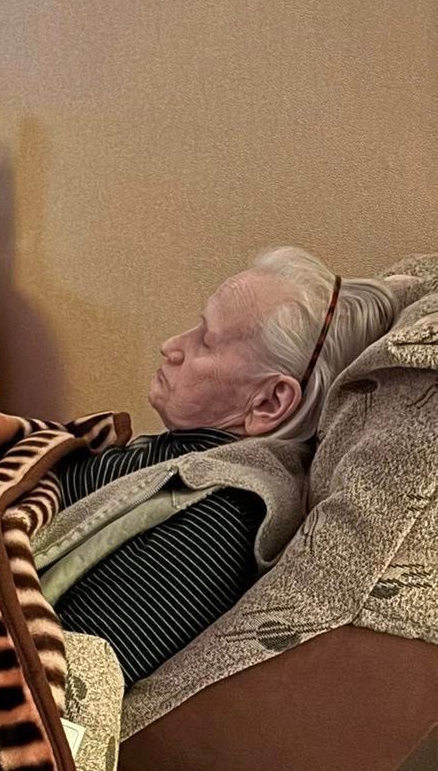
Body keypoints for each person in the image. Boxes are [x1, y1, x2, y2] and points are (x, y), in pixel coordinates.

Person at [53, 246, 397, 684]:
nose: (170, 346)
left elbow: (63, 674)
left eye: (206, 340)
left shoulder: (217, 522)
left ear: (269, 403)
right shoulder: (184, 455)